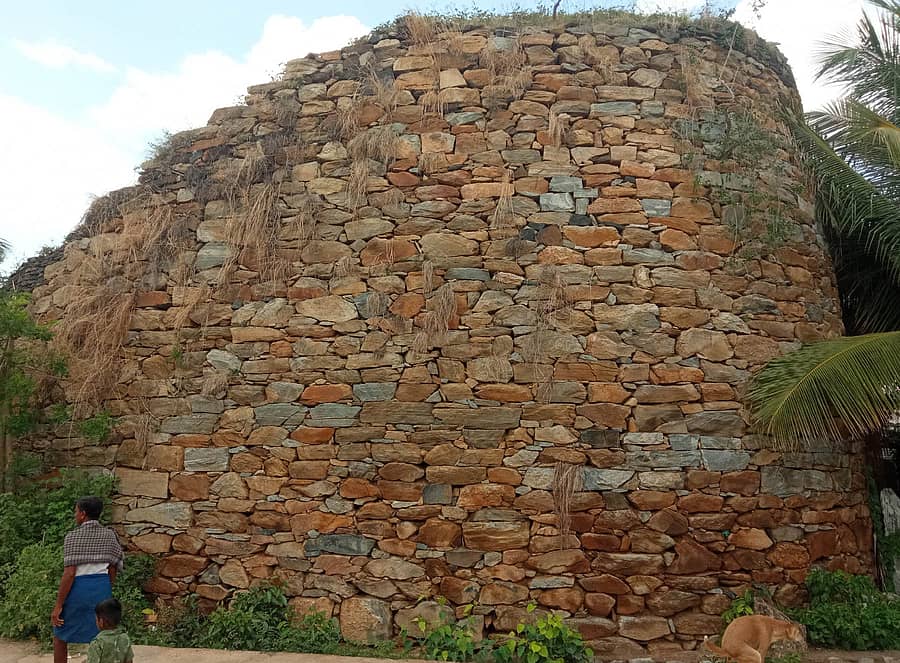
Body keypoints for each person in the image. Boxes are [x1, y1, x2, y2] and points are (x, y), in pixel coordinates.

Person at [51, 496, 124, 663]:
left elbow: (69, 573)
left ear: (83, 514)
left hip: (78, 590)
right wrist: (107, 588)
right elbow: (112, 568)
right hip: (102, 588)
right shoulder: (109, 536)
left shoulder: (72, 537)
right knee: (101, 633)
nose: (75, 514)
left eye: (76, 511)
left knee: (60, 634)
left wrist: (58, 605)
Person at [86, 599, 133, 663]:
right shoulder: (125, 638)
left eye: (96, 619)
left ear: (101, 621)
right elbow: (129, 661)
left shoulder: (97, 643)